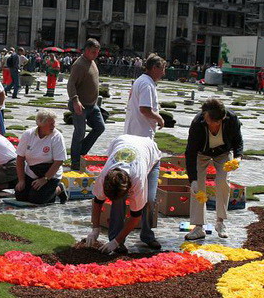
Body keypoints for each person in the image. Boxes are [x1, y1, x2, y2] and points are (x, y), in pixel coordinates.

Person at [83, 134, 162, 254]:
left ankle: (147, 236)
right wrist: (95, 229)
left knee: (149, 200)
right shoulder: (105, 176)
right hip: (122, 142)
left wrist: (116, 241)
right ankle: (117, 241)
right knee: (118, 201)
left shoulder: (138, 180)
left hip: (150, 155)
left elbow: (136, 216)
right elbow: (98, 201)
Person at [185, 98, 244, 240]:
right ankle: (198, 227)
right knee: (198, 186)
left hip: (223, 152)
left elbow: (238, 141)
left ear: (221, 119)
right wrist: (192, 179)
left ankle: (220, 222)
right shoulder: (198, 123)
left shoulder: (232, 119)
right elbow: (190, 152)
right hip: (201, 153)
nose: (208, 123)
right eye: (206, 119)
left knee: (223, 182)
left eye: (211, 122)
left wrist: (238, 158)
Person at [15, 110, 68, 205]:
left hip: (50, 173)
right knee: (20, 195)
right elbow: (20, 158)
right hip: (32, 171)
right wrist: (21, 180)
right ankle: (45, 190)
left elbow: (59, 161)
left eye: (54, 123)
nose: (53, 126)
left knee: (37, 199)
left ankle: (58, 188)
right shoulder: (28, 134)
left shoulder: (56, 136)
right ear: (40, 124)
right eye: (50, 124)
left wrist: (45, 179)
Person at [67, 38, 104, 170]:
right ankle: (76, 162)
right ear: (87, 50)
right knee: (79, 133)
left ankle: (81, 152)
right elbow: (71, 84)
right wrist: (75, 100)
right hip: (80, 105)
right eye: (94, 52)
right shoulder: (79, 64)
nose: (96, 54)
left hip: (92, 105)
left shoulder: (92, 61)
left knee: (100, 127)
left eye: (97, 52)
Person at [124, 54, 166, 138]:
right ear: (154, 68)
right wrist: (159, 118)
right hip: (142, 131)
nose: (163, 73)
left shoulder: (141, 80)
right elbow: (145, 109)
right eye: (162, 69)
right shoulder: (147, 84)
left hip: (135, 128)